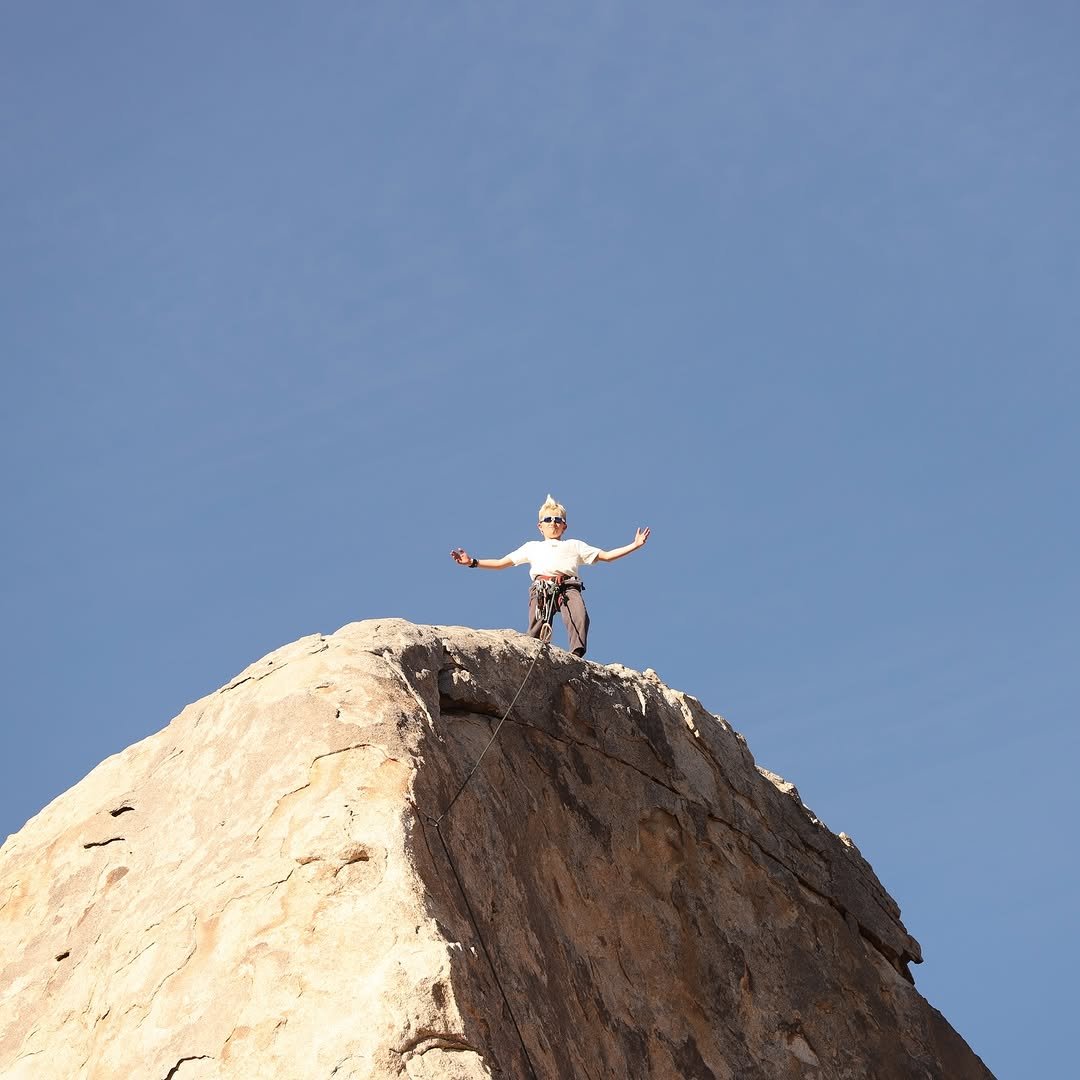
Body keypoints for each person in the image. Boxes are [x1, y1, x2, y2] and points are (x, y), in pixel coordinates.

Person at [450, 494, 650, 657]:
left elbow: (606, 556)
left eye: (557, 520)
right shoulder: (532, 547)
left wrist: (634, 545)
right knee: (537, 625)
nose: (553, 523)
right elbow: (502, 563)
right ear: (540, 525)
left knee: (579, 617)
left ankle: (576, 655)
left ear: (565, 526)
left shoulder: (574, 545)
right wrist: (473, 562)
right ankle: (532, 652)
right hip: (542, 588)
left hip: (568, 586)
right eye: (548, 520)